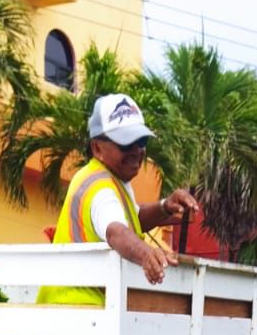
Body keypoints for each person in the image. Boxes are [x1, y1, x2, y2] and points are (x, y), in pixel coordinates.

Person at [37, 93, 199, 305]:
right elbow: (116, 231)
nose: (136, 151)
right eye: (125, 143)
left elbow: (133, 218)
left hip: (79, 308)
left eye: (141, 141)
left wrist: (164, 207)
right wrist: (147, 255)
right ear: (97, 148)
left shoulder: (114, 179)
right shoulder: (99, 188)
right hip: (78, 308)